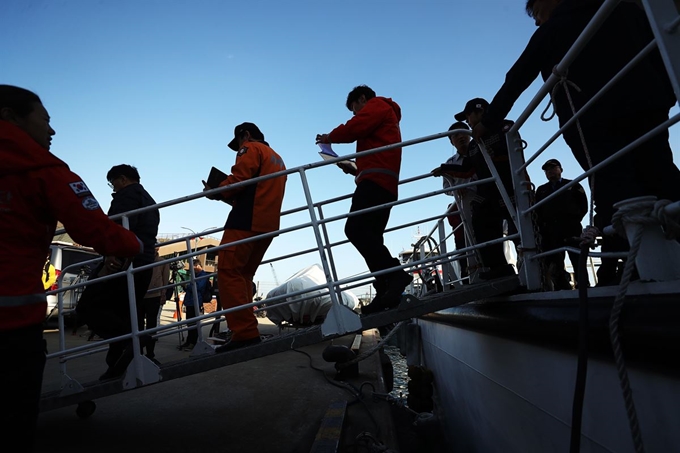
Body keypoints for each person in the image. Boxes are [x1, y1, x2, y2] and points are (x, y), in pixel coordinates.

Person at [473, 0, 680, 285]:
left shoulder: (553, 29)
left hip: (593, 124)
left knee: (617, 193)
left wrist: (487, 124)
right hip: (649, 110)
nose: (535, 21)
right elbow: (663, 45)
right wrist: (665, 97)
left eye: (534, 12)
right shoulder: (627, 10)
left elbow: (517, 78)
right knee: (661, 176)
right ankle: (629, 271)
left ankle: (634, 277)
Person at [0, 85, 143, 451]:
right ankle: (133, 347)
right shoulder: (44, 170)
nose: (51, 131)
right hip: (12, 324)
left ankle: (131, 347)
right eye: (45, 120)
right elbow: (95, 227)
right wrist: (133, 246)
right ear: (10, 117)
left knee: (94, 307)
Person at [316, 85, 412, 314]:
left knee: (355, 230)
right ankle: (385, 291)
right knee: (371, 238)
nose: (354, 114)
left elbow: (356, 127)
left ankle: (396, 276)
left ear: (362, 99)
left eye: (354, 109)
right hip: (382, 181)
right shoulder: (386, 116)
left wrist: (329, 137)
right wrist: (354, 169)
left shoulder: (377, 105)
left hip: (375, 182)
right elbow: (376, 151)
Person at [203, 122, 286, 352]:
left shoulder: (250, 148)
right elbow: (254, 189)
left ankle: (245, 333)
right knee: (244, 276)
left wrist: (216, 190)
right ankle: (245, 330)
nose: (239, 148)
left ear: (245, 135)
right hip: (266, 225)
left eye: (238, 142)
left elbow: (240, 179)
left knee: (229, 273)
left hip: (245, 222)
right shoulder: (277, 158)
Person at [76, 164, 159, 379]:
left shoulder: (127, 196)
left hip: (123, 262)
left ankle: (130, 341)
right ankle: (116, 364)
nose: (113, 188)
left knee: (88, 306)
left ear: (122, 179)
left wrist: (110, 252)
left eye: (113, 183)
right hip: (144, 263)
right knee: (122, 312)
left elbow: (115, 228)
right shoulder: (150, 201)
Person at [443, 98, 520, 280]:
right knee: (480, 222)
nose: (468, 123)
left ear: (480, 112)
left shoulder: (505, 127)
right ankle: (498, 268)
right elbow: (467, 169)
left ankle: (532, 269)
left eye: (468, 117)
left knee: (518, 230)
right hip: (488, 193)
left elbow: (510, 152)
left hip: (510, 187)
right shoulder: (474, 145)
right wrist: (444, 170)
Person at [432, 121, 481, 282]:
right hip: (462, 205)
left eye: (463, 133)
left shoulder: (481, 152)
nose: (460, 137)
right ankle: (468, 277)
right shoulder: (451, 162)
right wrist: (457, 188)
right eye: (455, 135)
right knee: (462, 242)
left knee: (489, 236)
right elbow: (446, 187)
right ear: (451, 141)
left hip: (484, 200)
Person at [535, 159, 589, 290]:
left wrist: (574, 219)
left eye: (553, 168)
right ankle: (561, 288)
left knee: (577, 259)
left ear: (561, 169)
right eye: (547, 170)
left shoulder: (573, 185)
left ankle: (583, 287)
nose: (550, 172)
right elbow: (537, 211)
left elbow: (583, 205)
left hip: (571, 228)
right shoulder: (541, 190)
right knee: (555, 262)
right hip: (551, 231)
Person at [141, 248, 170, 362]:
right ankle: (138, 352)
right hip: (142, 295)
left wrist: (163, 294)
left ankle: (150, 353)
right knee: (139, 325)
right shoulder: (142, 260)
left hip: (155, 295)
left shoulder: (162, 262)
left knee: (151, 325)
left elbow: (165, 279)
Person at [178, 259, 208, 351]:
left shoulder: (203, 276)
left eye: (193, 267)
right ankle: (189, 341)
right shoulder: (196, 276)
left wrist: (187, 286)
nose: (192, 270)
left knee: (193, 324)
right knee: (189, 323)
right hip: (191, 301)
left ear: (198, 266)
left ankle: (193, 342)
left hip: (196, 301)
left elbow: (198, 287)